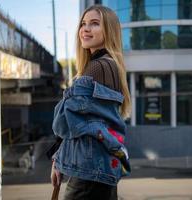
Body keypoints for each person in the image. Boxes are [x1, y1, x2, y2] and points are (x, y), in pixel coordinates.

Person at [50, 5, 131, 200]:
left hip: (89, 172)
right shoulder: (111, 65)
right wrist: (58, 160)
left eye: (94, 24)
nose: (85, 29)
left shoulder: (97, 67)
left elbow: (63, 122)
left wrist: (57, 159)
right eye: (83, 24)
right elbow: (83, 121)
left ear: (109, 30)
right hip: (102, 169)